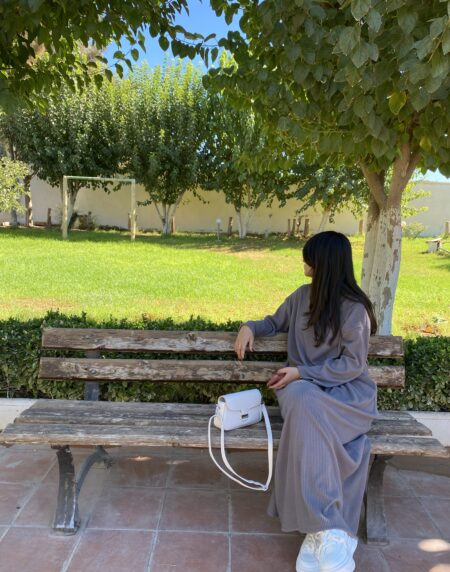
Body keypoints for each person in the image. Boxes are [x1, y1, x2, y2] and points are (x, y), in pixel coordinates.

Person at [234, 231, 378, 572]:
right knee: (302, 398)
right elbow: (273, 323)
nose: (304, 262)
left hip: (346, 395)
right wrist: (249, 326)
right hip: (300, 389)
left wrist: (302, 371)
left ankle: (319, 532)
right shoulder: (301, 297)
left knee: (306, 409)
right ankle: (330, 529)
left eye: (309, 257)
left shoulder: (354, 309)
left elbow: (352, 365)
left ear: (323, 263)